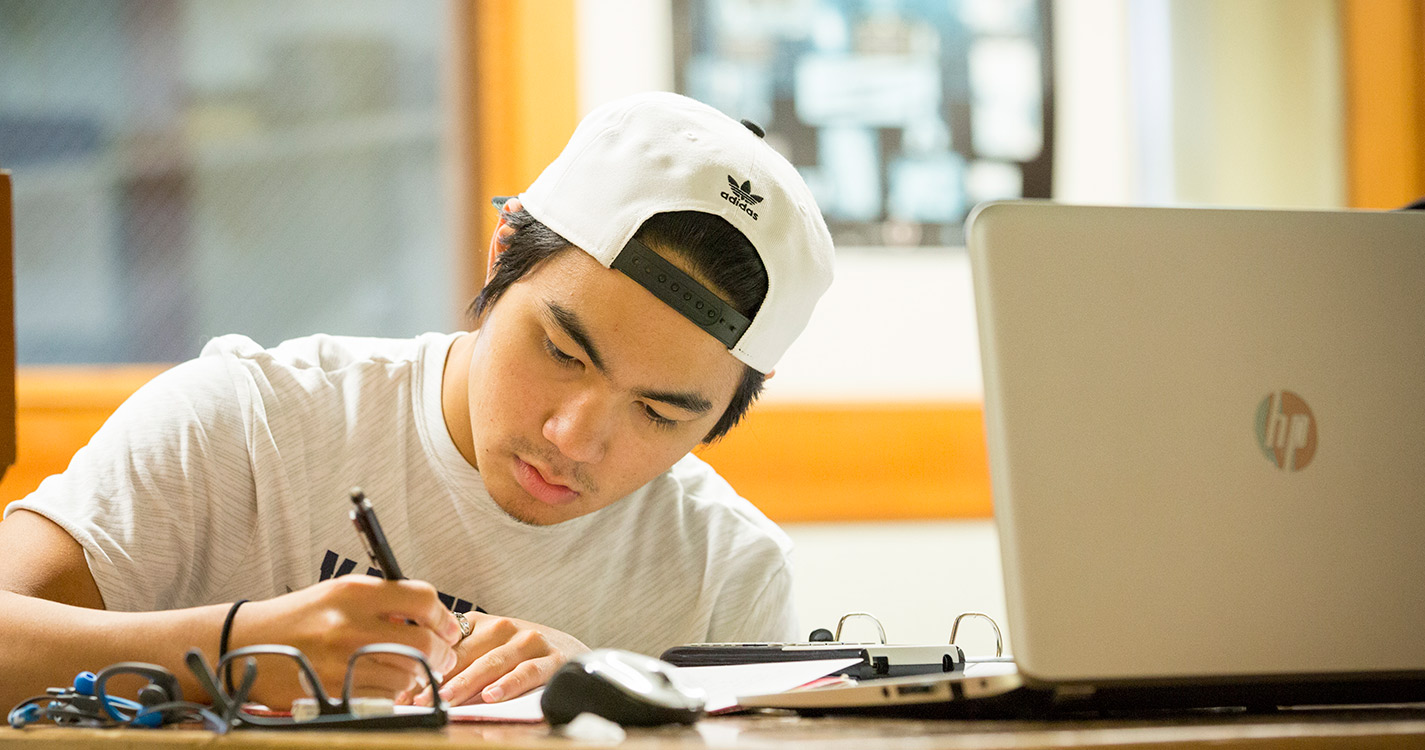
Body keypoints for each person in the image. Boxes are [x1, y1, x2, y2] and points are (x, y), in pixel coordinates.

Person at [0, 92, 835, 711]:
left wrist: (615, 692)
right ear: (502, 250)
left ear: (730, 411)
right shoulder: (249, 422)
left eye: (660, 413)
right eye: (561, 351)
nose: (573, 437)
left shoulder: (727, 574)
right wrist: (232, 646)